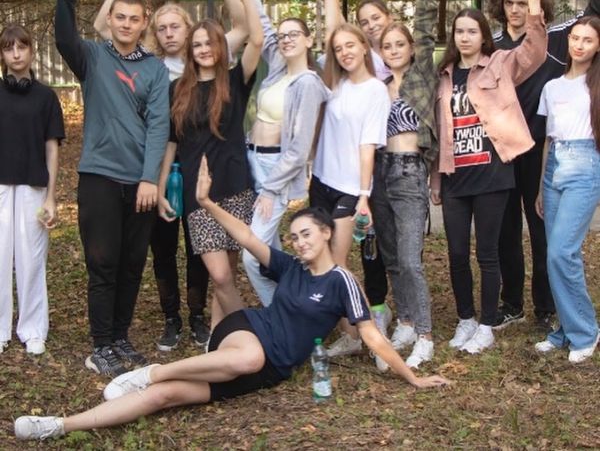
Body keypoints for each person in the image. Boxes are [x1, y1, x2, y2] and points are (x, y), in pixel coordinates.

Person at [14, 155, 450, 442]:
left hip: (270, 368)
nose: (299, 242)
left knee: (166, 397)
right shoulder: (289, 267)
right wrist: (206, 202)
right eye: (294, 237)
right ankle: (149, 372)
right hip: (246, 333)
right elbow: (245, 237)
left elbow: (371, 336)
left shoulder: (342, 281)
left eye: (306, 234)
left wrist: (412, 378)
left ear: (324, 233)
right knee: (246, 358)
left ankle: (58, 425)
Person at [92, 0, 250, 351]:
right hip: (159, 163)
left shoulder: (208, 55)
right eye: (160, 28)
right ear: (153, 32)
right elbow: (101, 26)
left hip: (204, 165)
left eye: (174, 25)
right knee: (162, 246)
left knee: (201, 247)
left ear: (188, 28)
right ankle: (171, 319)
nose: (168, 33)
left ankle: (198, 316)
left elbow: (243, 27)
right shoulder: (147, 62)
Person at [55, 0, 170, 376]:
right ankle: (101, 344)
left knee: (132, 264)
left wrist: (149, 179)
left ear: (143, 23)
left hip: (138, 183)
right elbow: (64, 39)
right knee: (103, 263)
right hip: (99, 177)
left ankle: (121, 337)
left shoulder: (155, 70)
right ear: (112, 19)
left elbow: (158, 127)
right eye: (119, 17)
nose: (125, 24)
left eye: (133, 19)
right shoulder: (93, 57)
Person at [430, 0, 552, 355]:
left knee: (489, 252)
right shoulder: (443, 75)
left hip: (492, 172)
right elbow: (440, 131)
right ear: (453, 37)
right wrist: (436, 179)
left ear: (484, 35)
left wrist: (534, 2)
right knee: (456, 253)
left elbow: (534, 51)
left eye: (472, 31)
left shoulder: (499, 62)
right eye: (459, 31)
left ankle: (488, 323)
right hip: (455, 176)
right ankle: (466, 319)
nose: (465, 37)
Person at [490, 0, 600, 330]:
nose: (516, 9)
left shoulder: (555, 38)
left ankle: (546, 307)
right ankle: (512, 303)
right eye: (510, 2)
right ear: (501, 5)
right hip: (501, 151)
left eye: (524, 2)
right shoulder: (491, 47)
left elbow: (594, 16)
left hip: (541, 150)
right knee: (505, 231)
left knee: (542, 231)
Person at [157, 0, 262, 331]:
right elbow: (171, 143)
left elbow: (256, 37)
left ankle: (221, 336)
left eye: (209, 43)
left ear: (220, 47)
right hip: (197, 193)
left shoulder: (234, 80)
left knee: (227, 274)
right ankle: (250, 334)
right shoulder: (177, 89)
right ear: (190, 50)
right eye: (197, 44)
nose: (203, 49)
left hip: (234, 186)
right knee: (219, 275)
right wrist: (161, 188)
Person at [228, 0, 330, 306]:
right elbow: (263, 26)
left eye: (294, 35)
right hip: (252, 160)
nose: (285, 40)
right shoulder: (276, 68)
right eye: (283, 36)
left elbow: (299, 148)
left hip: (276, 171)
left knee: (252, 254)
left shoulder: (309, 84)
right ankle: (293, 307)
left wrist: (272, 189)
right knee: (269, 250)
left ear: (309, 40)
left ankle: (282, 313)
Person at [312, 0, 392, 358]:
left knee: (338, 265)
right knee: (322, 260)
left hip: (349, 189)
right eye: (338, 48)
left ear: (365, 47)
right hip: (321, 183)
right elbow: (333, 27)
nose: (344, 52)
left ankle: (369, 335)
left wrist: (363, 195)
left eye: (350, 46)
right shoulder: (335, 82)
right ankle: (350, 331)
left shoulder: (375, 89)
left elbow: (367, 146)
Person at [370, 0, 447, 370]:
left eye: (400, 44)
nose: (395, 50)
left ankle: (425, 336)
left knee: (411, 259)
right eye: (388, 46)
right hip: (380, 173)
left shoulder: (420, 76)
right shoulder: (378, 88)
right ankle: (405, 321)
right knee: (391, 256)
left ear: (411, 49)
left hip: (410, 172)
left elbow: (425, 25)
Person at [533, 15, 600, 363]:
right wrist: (541, 187)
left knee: (562, 252)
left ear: (598, 45)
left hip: (585, 166)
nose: (579, 45)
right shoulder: (552, 87)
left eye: (588, 40)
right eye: (575, 38)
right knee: (553, 255)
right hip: (554, 169)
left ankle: (586, 332)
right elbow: (548, 140)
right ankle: (565, 331)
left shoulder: (596, 84)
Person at [0, 25, 65, 357]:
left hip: (33, 186)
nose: (16, 54)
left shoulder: (46, 97)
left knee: (31, 258)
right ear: (2, 54)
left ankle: (33, 329)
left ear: (31, 50)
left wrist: (51, 196)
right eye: (8, 48)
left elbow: (52, 148)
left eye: (21, 47)